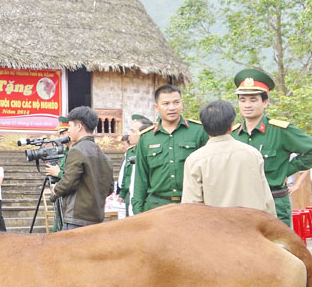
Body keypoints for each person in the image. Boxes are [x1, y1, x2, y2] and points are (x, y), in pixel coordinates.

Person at [231, 68, 312, 227]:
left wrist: (287, 169)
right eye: (242, 100)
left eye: (253, 100)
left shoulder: (280, 131)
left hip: (274, 202)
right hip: (241, 205)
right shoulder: (234, 134)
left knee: (278, 249)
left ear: (265, 102)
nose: (247, 105)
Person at [182, 100, 276, 216]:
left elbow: (191, 206)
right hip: (253, 228)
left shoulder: (195, 160)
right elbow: (267, 199)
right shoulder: (252, 154)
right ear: (231, 126)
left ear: (204, 127)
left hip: (219, 230)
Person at [132, 85, 209, 214]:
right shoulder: (147, 137)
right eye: (166, 104)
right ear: (156, 107)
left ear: (182, 104)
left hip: (191, 206)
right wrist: (138, 211)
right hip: (156, 207)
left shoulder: (199, 132)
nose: (172, 108)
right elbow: (141, 178)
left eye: (176, 102)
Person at [51, 106, 114, 229]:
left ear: (79, 126)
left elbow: (67, 182)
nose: (68, 131)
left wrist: (55, 189)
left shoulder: (76, 151)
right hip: (97, 218)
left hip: (76, 219)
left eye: (70, 126)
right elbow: (110, 188)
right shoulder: (105, 157)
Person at [117, 115, 153, 217]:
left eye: (133, 131)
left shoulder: (150, 153)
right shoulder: (131, 151)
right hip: (131, 198)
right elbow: (127, 175)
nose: (129, 134)